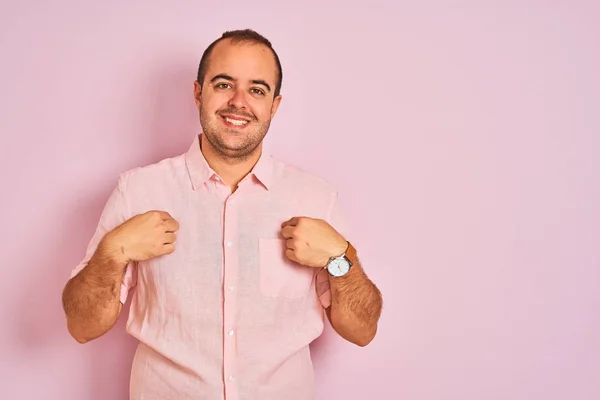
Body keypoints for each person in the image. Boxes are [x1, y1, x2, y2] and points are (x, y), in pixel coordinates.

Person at [62, 28, 383, 400]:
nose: (239, 102)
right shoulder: (138, 192)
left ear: (274, 106)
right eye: (224, 84)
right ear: (198, 92)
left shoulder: (314, 197)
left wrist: (339, 257)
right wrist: (113, 251)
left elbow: (362, 331)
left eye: (257, 90)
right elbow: (82, 327)